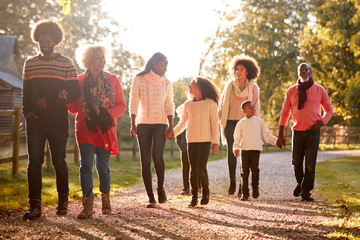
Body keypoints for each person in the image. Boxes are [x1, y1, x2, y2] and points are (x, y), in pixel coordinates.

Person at [22, 19, 79, 220]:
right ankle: (35, 205)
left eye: (48, 40)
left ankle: (62, 200)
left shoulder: (66, 63)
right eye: (41, 40)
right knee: (34, 162)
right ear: (37, 40)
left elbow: (74, 92)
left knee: (59, 162)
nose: (44, 43)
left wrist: (52, 101)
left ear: (55, 40)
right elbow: (26, 93)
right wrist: (27, 112)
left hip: (57, 121)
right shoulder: (30, 64)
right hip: (35, 122)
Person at [67, 45, 126, 218]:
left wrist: (107, 113)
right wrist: (65, 98)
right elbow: (74, 108)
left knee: (103, 167)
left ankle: (106, 200)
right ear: (89, 61)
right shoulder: (78, 81)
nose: (102, 61)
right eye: (98, 58)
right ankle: (87, 206)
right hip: (85, 128)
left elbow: (121, 105)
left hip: (105, 128)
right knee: (86, 166)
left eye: (103, 58)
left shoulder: (113, 80)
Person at [276, 63, 333, 202]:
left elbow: (329, 110)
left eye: (306, 69)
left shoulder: (319, 90)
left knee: (310, 163)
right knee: (296, 162)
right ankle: (301, 185)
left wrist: (321, 123)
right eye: (301, 69)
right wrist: (281, 135)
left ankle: (305, 191)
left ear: (310, 72)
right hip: (297, 132)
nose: (303, 71)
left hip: (313, 132)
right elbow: (285, 113)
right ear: (298, 73)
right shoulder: (291, 91)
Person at [129, 52, 175, 208]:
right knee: (145, 160)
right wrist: (133, 122)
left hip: (160, 123)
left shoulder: (166, 83)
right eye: (163, 65)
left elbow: (169, 104)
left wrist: (171, 126)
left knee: (157, 156)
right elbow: (134, 100)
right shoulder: (139, 79)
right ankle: (150, 197)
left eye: (166, 66)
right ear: (155, 64)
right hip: (143, 124)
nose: (165, 69)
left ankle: (160, 187)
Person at [174, 77, 220, 207]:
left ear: (199, 87)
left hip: (205, 141)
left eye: (192, 84)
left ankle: (206, 192)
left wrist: (215, 142)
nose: (189, 86)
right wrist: (172, 133)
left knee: (201, 169)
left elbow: (214, 124)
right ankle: (194, 197)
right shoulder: (187, 105)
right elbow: (182, 123)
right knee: (193, 169)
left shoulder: (211, 104)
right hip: (192, 140)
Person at [218, 55, 261, 196]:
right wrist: (221, 120)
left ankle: (243, 186)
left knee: (245, 154)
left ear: (247, 71)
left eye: (241, 69)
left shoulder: (253, 88)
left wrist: (255, 124)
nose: (238, 72)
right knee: (232, 153)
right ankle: (232, 182)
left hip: (246, 124)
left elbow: (256, 107)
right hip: (230, 123)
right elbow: (223, 104)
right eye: (237, 69)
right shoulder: (230, 85)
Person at [233, 100, 278, 201]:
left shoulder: (259, 122)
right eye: (250, 107)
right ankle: (245, 193)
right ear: (243, 110)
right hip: (244, 151)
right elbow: (237, 138)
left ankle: (255, 188)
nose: (253, 109)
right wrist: (236, 148)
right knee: (244, 172)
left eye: (253, 107)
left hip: (255, 150)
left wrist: (276, 141)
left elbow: (267, 135)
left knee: (255, 170)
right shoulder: (240, 123)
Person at [174, 105, 201, 195]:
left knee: (197, 167)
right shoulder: (180, 125)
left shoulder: (194, 122)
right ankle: (186, 187)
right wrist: (181, 147)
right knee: (185, 169)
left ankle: (198, 186)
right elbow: (177, 138)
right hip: (184, 150)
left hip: (195, 149)